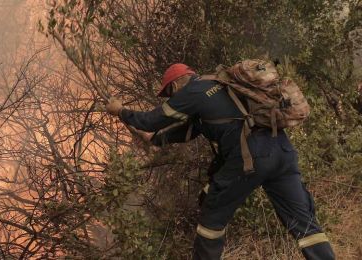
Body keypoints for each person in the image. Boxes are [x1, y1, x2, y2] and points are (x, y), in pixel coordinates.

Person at [105, 63, 336, 260]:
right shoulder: (224, 86)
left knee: (211, 217)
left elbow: (151, 120)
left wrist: (121, 111)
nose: (172, 98)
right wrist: (155, 140)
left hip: (251, 157)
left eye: (169, 93)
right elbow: (186, 130)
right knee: (305, 224)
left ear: (175, 85)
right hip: (283, 153)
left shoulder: (193, 91)